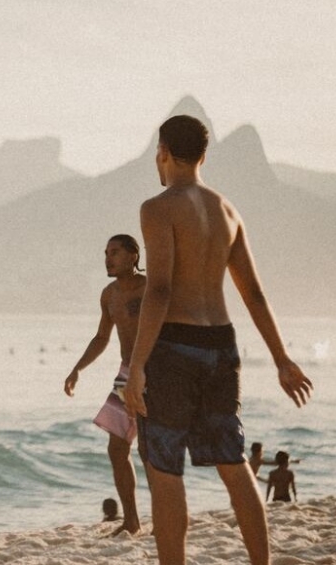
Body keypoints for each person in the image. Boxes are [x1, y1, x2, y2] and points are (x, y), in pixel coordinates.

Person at [123, 115, 313, 565]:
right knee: (234, 464)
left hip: (172, 347)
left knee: (166, 472)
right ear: (204, 155)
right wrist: (282, 359)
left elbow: (161, 289)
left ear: (163, 152)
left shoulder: (158, 208)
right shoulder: (228, 210)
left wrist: (136, 365)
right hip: (222, 346)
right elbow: (255, 293)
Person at [64, 234, 146, 534]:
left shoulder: (150, 288)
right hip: (126, 374)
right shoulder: (108, 294)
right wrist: (77, 369)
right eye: (106, 253)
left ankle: (166, 516)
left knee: (151, 448)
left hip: (154, 372)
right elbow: (102, 338)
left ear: (133, 256)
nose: (108, 258)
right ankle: (132, 519)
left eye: (115, 252)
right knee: (117, 449)